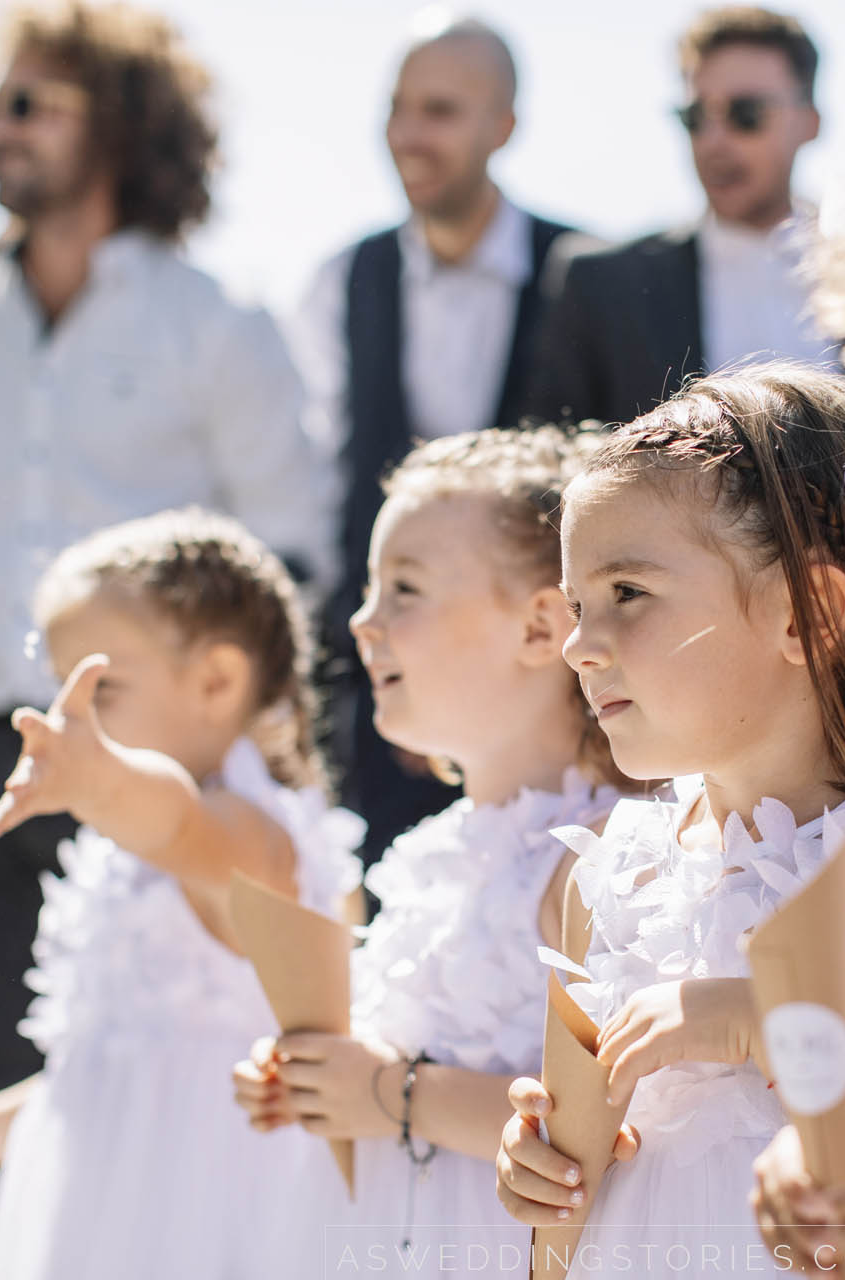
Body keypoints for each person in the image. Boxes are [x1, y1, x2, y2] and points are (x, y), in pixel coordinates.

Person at [0, 3, 331, 1202]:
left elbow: (284, 558)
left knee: (165, 1097)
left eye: (30, 104)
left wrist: (239, 760)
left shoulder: (215, 321)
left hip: (164, 778)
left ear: (125, 122)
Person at [494, 367, 845, 1280]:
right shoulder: (609, 875)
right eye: (576, 605)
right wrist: (541, 1166)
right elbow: (579, 1220)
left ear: (807, 615)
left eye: (627, 591)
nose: (581, 646)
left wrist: (764, 1025)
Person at [0, 509, 364, 1280]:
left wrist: (99, 782)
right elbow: (102, 1068)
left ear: (217, 681)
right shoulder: (119, 857)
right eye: (60, 686)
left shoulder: (257, 834)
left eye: (101, 691)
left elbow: (180, 824)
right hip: (87, 1227)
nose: (75, 722)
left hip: (211, 1235)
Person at [232, 426, 628, 1280]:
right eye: (369, 591)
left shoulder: (607, 857)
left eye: (402, 589)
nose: (362, 622)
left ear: (541, 626)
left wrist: (391, 1093)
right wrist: (316, 1077)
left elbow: (627, 1140)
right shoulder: (425, 855)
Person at [292, 14, 585, 865]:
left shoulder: (587, 273)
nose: (408, 136)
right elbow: (318, 485)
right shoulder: (342, 281)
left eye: (440, 111)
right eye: (398, 109)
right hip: (382, 700)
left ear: (504, 127)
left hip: (548, 699)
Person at [524, 7, 836, 429]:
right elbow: (554, 462)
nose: (714, 140)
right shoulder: (605, 285)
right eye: (696, 117)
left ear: (810, 123)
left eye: (746, 114)